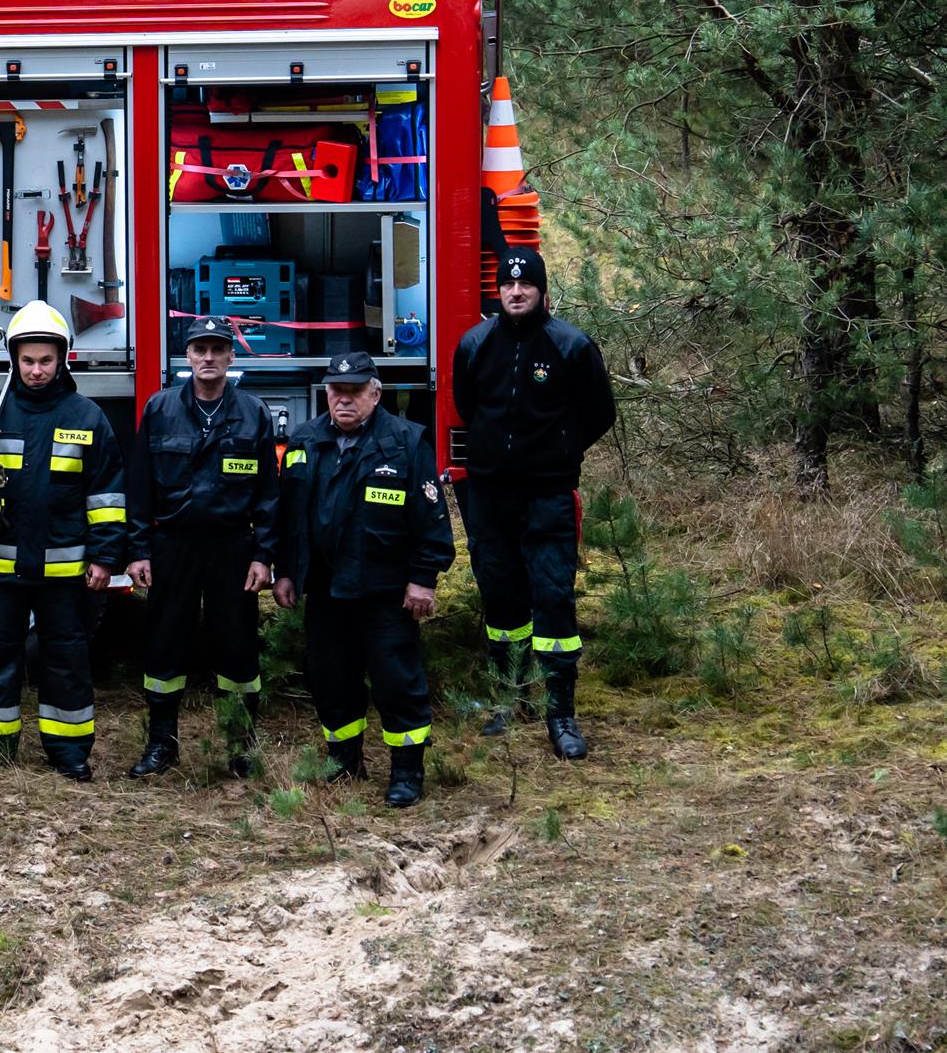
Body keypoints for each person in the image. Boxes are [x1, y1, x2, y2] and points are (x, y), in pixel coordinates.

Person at [0, 302, 126, 781]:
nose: (37, 370)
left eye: (46, 360)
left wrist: (106, 557)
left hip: (65, 571)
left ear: (62, 358)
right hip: (0, 568)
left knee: (66, 658)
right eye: (28, 361)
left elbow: (106, 494)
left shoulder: (87, 416)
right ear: (14, 360)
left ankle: (68, 750)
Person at [451, 245, 619, 759]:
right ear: (498, 290)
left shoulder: (571, 345)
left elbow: (600, 414)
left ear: (543, 290)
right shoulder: (475, 344)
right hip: (488, 495)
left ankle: (560, 713)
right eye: (507, 284)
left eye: (526, 284)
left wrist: (558, 451)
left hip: (546, 495)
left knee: (552, 597)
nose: (516, 291)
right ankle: (510, 694)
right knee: (501, 598)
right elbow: (466, 404)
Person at [274, 351, 455, 808]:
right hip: (326, 589)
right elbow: (289, 518)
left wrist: (423, 579)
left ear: (375, 394)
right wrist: (286, 572)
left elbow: (431, 520)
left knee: (396, 680)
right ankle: (344, 759)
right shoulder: (304, 441)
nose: (344, 400)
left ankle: (407, 770)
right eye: (337, 391)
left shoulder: (404, 442)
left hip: (385, 590)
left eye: (355, 391)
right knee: (330, 677)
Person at [120, 315, 279, 779]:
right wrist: (138, 550)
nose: (208, 358)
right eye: (199, 350)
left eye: (217, 350)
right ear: (186, 358)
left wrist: (263, 554)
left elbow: (269, 493)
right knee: (166, 647)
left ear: (231, 357)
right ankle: (161, 745)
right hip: (174, 546)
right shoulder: (160, 409)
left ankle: (241, 747)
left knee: (239, 650)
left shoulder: (253, 413)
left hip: (233, 548)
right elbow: (139, 487)